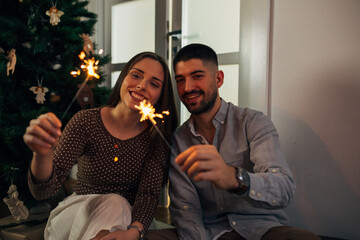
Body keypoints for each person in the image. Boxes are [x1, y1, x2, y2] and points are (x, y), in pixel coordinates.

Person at [168, 43, 321, 240]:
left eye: (197, 76)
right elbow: (186, 211)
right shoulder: (179, 140)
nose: (188, 88)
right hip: (211, 234)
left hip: (263, 230)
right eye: (180, 80)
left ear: (219, 78)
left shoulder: (253, 122)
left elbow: (284, 188)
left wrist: (236, 179)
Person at [23, 51, 178, 240]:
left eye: (154, 84)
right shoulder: (86, 121)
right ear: (123, 77)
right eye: (136, 75)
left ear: (160, 96)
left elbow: (148, 195)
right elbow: (43, 191)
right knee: (115, 202)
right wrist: (42, 155)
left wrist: (134, 231)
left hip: (129, 222)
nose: (141, 85)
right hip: (78, 214)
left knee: (117, 204)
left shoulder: (155, 138)